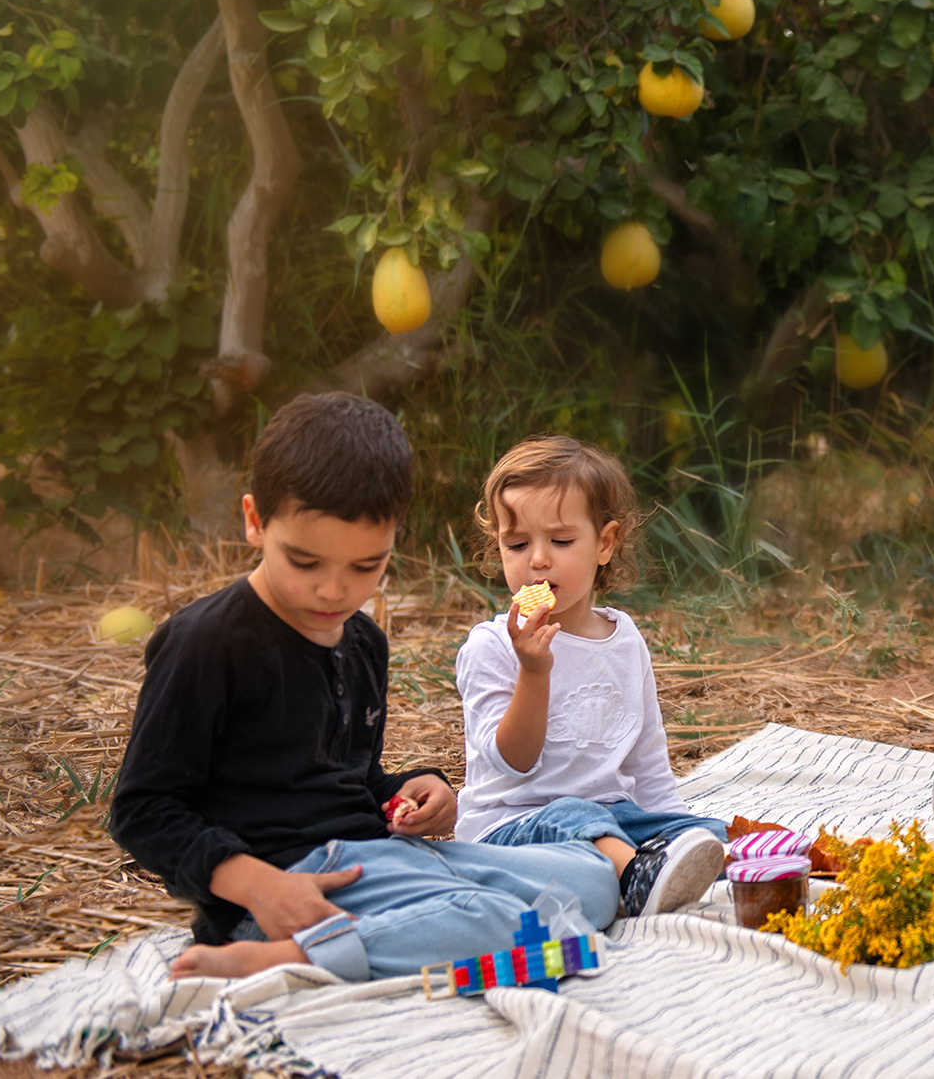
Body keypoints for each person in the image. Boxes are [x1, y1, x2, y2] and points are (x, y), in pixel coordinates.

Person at [110, 393, 622, 982]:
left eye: (363, 567)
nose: (333, 591)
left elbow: (341, 779)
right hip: (290, 888)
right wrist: (259, 886)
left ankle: (421, 928)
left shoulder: (361, 643)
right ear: (255, 521)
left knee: (591, 880)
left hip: (383, 858)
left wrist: (415, 789)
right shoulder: (207, 641)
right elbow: (143, 808)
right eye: (304, 563)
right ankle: (290, 958)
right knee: (507, 921)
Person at [455, 436, 726, 917]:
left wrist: (678, 826)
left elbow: (647, 764)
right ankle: (639, 876)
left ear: (605, 544)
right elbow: (512, 762)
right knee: (576, 817)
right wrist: (534, 671)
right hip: (513, 826)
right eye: (516, 544)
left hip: (610, 818)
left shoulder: (623, 640)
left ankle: (708, 867)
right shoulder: (492, 647)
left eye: (560, 541)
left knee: (709, 833)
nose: (537, 559)